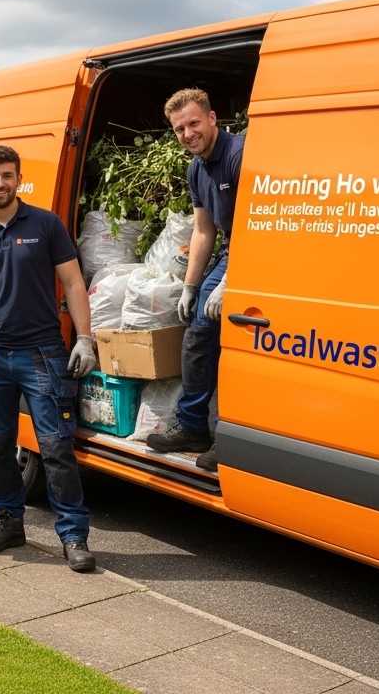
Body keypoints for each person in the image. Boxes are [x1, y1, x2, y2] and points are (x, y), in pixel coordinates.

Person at [0, 145, 101, 573]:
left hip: (41, 355)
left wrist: (85, 338)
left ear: (19, 179)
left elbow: (73, 283)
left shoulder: (46, 225)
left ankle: (73, 536)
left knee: (55, 446)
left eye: (7, 175)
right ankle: (8, 522)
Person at [146, 89, 244, 473]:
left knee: (239, 338)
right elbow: (203, 230)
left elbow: (259, 224)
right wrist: (191, 285)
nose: (187, 134)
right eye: (179, 129)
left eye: (193, 124)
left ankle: (232, 437)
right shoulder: (196, 168)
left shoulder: (238, 156)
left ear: (212, 118)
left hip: (260, 249)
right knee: (199, 331)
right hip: (232, 251)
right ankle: (193, 427)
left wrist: (230, 280)